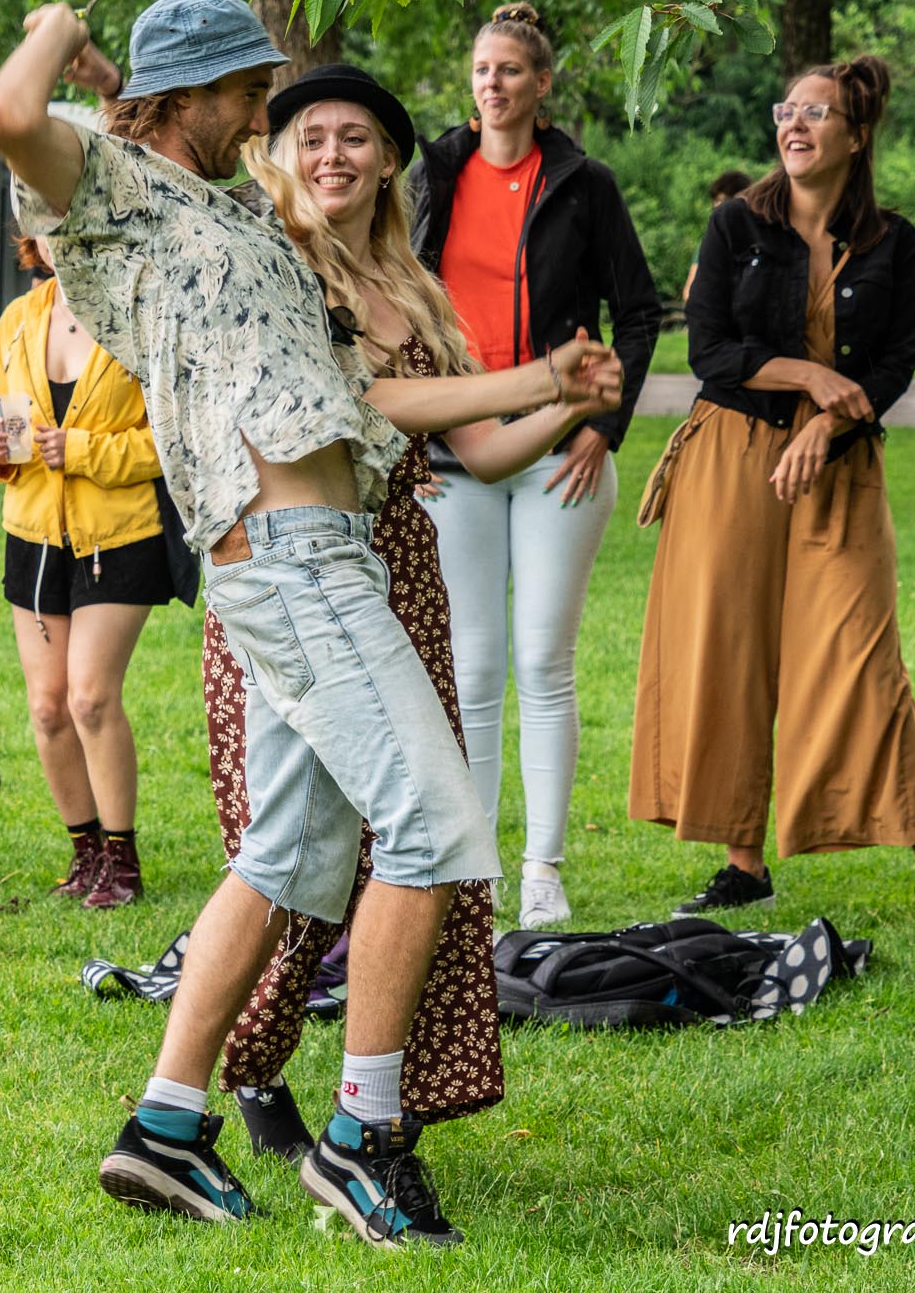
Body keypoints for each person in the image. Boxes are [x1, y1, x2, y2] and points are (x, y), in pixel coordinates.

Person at [0, 0, 620, 1245]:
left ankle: (165, 1124)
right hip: (287, 557)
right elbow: (8, 114)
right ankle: (361, 1138)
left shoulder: (226, 210)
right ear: (190, 93)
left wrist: (548, 382)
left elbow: (377, 394)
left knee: (288, 857)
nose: (260, 111)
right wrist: (70, 29)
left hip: (325, 552)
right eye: (244, 90)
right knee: (432, 823)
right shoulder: (112, 191)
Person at [204, 64, 623, 1158]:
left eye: (353, 137)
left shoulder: (411, 285)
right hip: (300, 576)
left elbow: (475, 448)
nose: (330, 155)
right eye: (309, 137)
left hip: (403, 576)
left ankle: (386, 1093)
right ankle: (252, 1067)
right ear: (280, 155)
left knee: (410, 843)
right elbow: (362, 401)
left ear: (389, 160)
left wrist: (570, 405)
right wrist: (536, 378)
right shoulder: (282, 269)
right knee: (305, 852)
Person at [628, 56, 915, 926]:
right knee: (731, 651)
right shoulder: (735, 225)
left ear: (856, 137)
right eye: (788, 110)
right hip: (732, 455)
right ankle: (743, 863)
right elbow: (709, 351)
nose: (795, 124)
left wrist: (828, 423)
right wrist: (811, 379)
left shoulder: (893, 241)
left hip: (840, 466)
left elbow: (895, 363)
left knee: (863, 653)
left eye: (816, 113)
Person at [409, 3, 662, 927]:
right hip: (457, 451)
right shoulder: (433, 174)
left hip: (562, 454)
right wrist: (411, 438)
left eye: (511, 70)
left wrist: (606, 426)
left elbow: (640, 311)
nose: (494, 83)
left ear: (542, 85)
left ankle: (542, 872)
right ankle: (474, 870)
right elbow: (397, 302)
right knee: (472, 668)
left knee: (544, 661)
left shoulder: (584, 184)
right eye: (483, 69)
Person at [0, 235, 196, 908]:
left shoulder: (141, 314)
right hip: (33, 535)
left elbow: (174, 437)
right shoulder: (20, 319)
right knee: (47, 708)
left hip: (119, 536)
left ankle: (123, 864)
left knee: (90, 698)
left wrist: (81, 451)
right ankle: (86, 854)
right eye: (46, 221)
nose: (61, 232)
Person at [681, 169, 752, 304]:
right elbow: (689, 292)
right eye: (716, 203)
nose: (718, 209)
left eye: (724, 202)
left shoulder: (761, 241)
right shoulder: (711, 242)